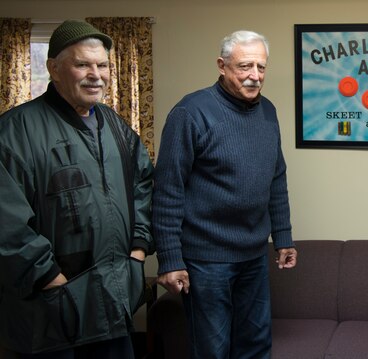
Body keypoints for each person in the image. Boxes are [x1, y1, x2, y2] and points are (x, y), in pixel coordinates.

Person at [0, 20, 154, 358]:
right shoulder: (16, 132)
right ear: (53, 68)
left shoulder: (115, 126)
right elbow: (5, 222)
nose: (95, 74)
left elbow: (143, 185)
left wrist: (138, 249)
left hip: (113, 303)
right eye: (82, 64)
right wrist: (48, 277)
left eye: (102, 65)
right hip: (53, 312)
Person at [153, 30, 297, 359]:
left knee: (256, 345)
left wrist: (284, 237)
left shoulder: (268, 112)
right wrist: (170, 259)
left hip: (254, 254)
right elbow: (168, 190)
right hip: (206, 259)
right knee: (212, 350)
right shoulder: (191, 112)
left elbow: (276, 177)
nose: (255, 76)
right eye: (245, 66)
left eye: (261, 67)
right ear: (222, 65)